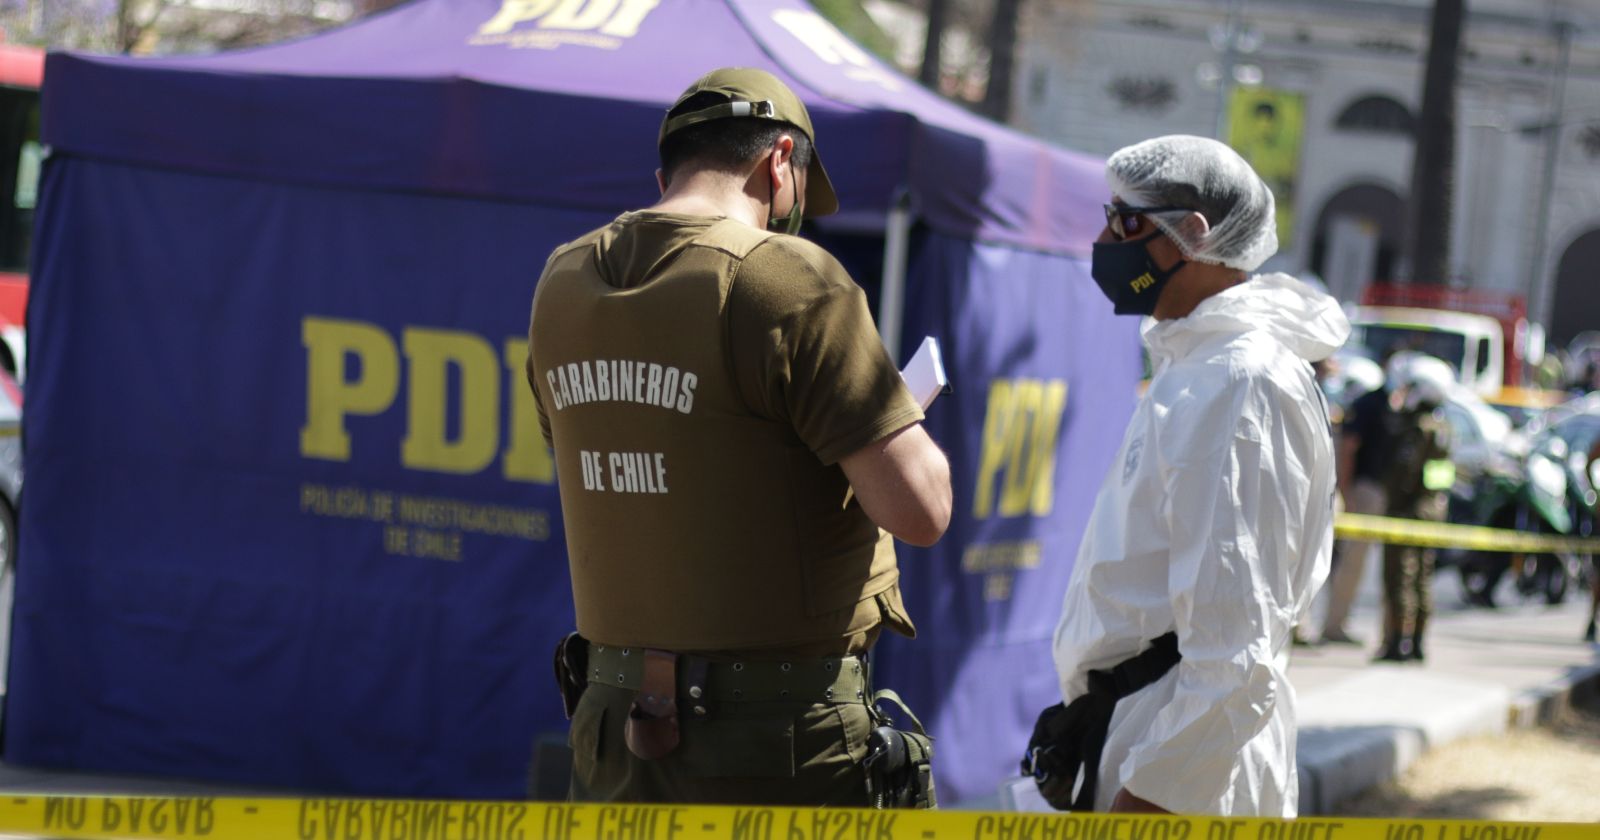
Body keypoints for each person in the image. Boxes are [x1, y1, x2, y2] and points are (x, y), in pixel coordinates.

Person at [524, 68, 953, 806]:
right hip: (776, 740)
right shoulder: (787, 279)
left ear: (667, 174)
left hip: (614, 733)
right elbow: (922, 510)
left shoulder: (563, 282)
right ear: (778, 162)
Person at [1042, 135, 1349, 816]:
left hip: (1184, 777)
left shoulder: (1239, 382)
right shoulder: (1199, 365)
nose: (1103, 238)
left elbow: (1235, 657)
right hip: (1144, 737)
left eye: (1125, 223)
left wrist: (1144, 801)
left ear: (1192, 235)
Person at [1371, 353, 1454, 662]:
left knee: (1399, 577)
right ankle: (1418, 643)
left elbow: (1404, 471)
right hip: (1433, 512)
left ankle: (1396, 644)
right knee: (1422, 578)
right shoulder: (1444, 427)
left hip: (1408, 512)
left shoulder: (1418, 427)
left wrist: (1392, 491)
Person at [1320, 362, 1403, 644]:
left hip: (1367, 490)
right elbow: (1348, 449)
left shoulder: (1384, 404)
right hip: (1360, 490)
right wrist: (1347, 491)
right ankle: (1333, 625)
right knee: (1348, 563)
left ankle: (1336, 622)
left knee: (1350, 563)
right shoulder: (1370, 405)